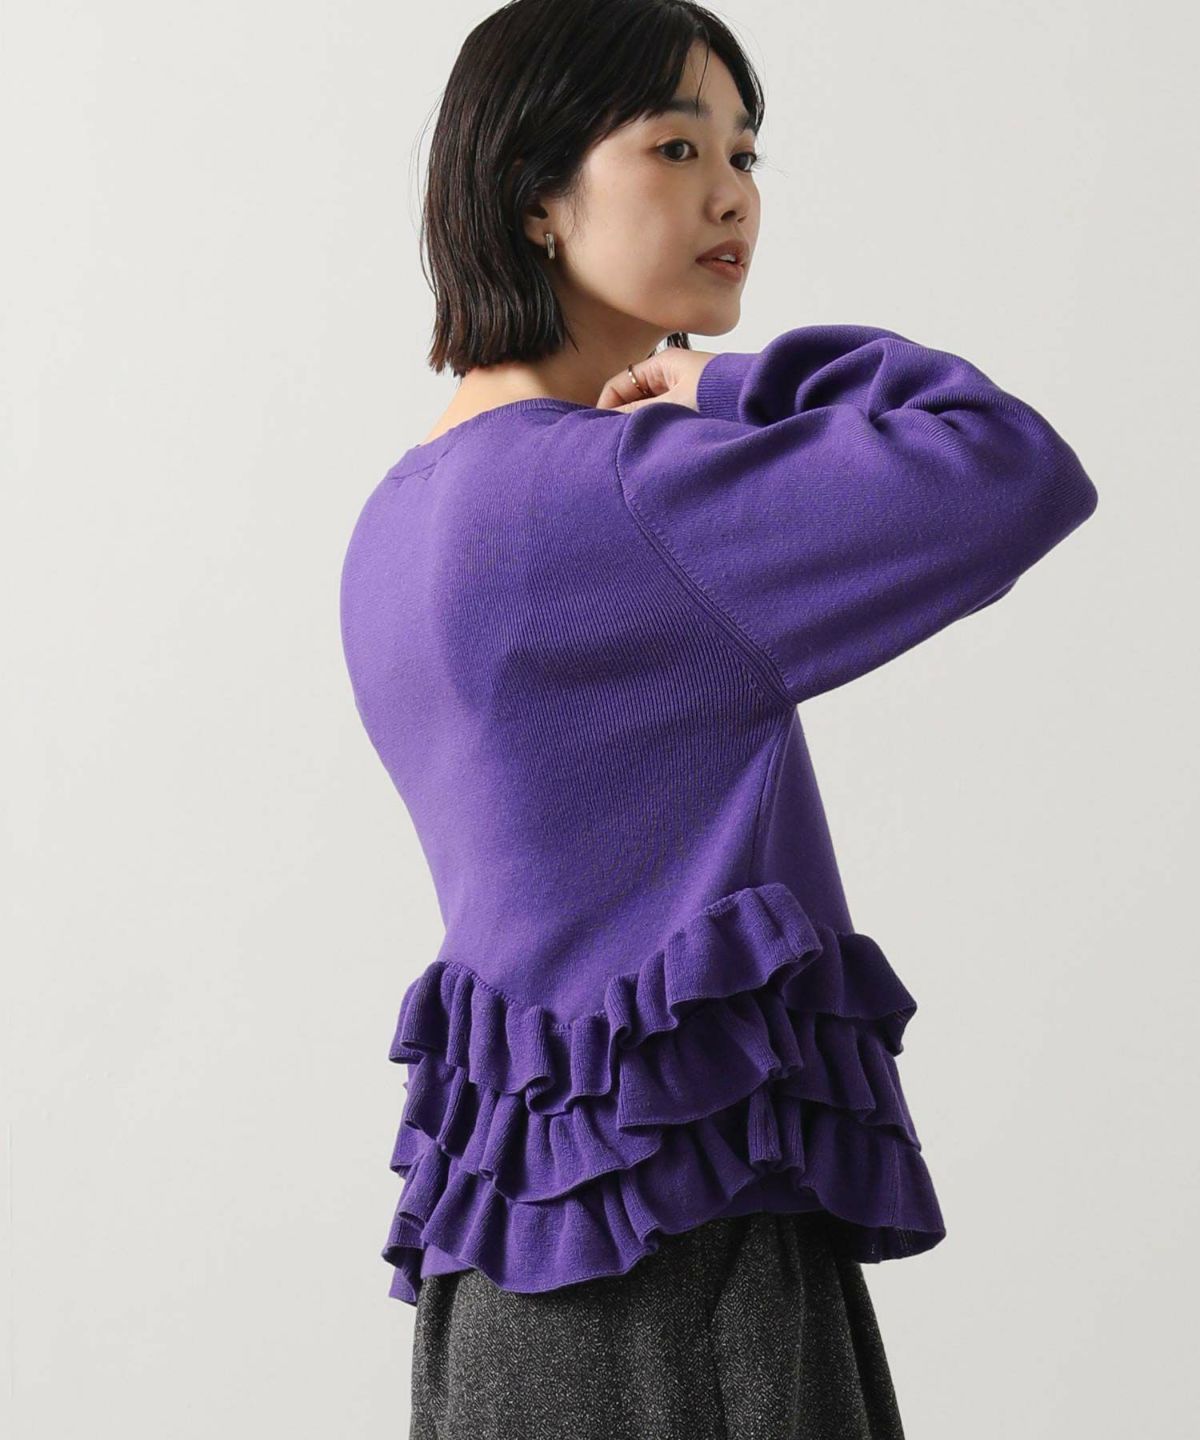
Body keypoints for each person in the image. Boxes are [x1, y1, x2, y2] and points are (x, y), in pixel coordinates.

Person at [337, 2, 1099, 1436]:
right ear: (535, 197)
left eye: (746, 153)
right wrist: (729, 386)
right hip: (681, 1258)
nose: (732, 192)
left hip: (499, 1281)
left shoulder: (393, 524)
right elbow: (1009, 466)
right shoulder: (621, 490)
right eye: (676, 147)